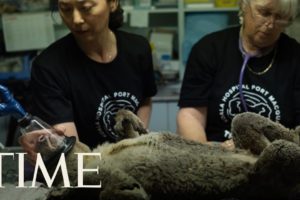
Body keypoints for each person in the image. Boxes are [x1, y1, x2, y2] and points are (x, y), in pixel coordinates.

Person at [29, 0, 157, 150]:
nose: (76, 19)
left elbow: (144, 100)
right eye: (66, 9)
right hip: (86, 166)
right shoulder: (49, 67)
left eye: (86, 8)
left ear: (113, 3)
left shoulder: (138, 49)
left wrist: (136, 144)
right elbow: (72, 148)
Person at [177, 0, 300, 149]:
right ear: (243, 6)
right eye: (264, 13)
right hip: (217, 152)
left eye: (280, 17)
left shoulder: (295, 57)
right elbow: (191, 114)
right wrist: (206, 153)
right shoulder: (209, 49)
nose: (271, 24)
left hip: (275, 156)